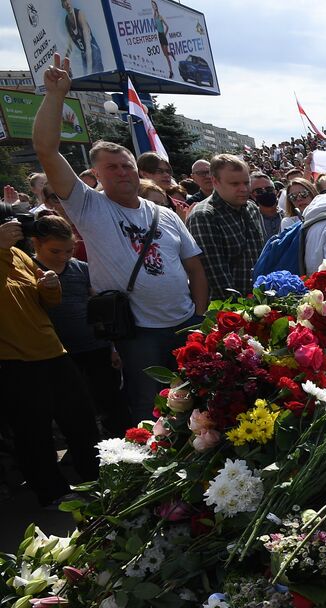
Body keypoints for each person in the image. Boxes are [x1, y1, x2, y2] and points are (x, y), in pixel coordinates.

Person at [33, 54, 206, 422]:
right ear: (96, 174)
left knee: (197, 404)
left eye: (127, 165)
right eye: (111, 167)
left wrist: (200, 313)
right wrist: (55, 96)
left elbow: (194, 265)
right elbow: (46, 150)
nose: (122, 172)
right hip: (139, 333)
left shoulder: (165, 213)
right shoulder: (89, 206)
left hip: (184, 323)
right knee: (149, 410)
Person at [0, 207, 100, 506]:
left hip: (52, 350)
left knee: (81, 419)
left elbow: (45, 302)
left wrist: (50, 287)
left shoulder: (19, 256)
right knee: (33, 431)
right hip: (13, 360)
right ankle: (52, 492)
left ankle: (96, 477)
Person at [31, 213, 129, 435]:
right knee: (73, 405)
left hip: (95, 345)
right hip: (59, 351)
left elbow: (100, 309)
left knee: (110, 399)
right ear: (37, 243)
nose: (63, 257)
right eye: (55, 251)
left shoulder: (80, 268)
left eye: (69, 251)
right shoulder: (28, 269)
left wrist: (113, 346)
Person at [185, 153, 267, 298]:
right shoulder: (204, 216)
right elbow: (218, 280)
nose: (243, 189)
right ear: (215, 182)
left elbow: (262, 256)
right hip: (231, 311)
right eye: (235, 184)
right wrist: (244, 311)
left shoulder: (252, 208)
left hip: (260, 301)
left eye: (246, 182)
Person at [249, 172, 283, 241]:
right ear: (252, 195)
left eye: (269, 189)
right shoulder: (249, 220)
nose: (265, 192)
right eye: (259, 191)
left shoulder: (288, 215)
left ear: (276, 192)